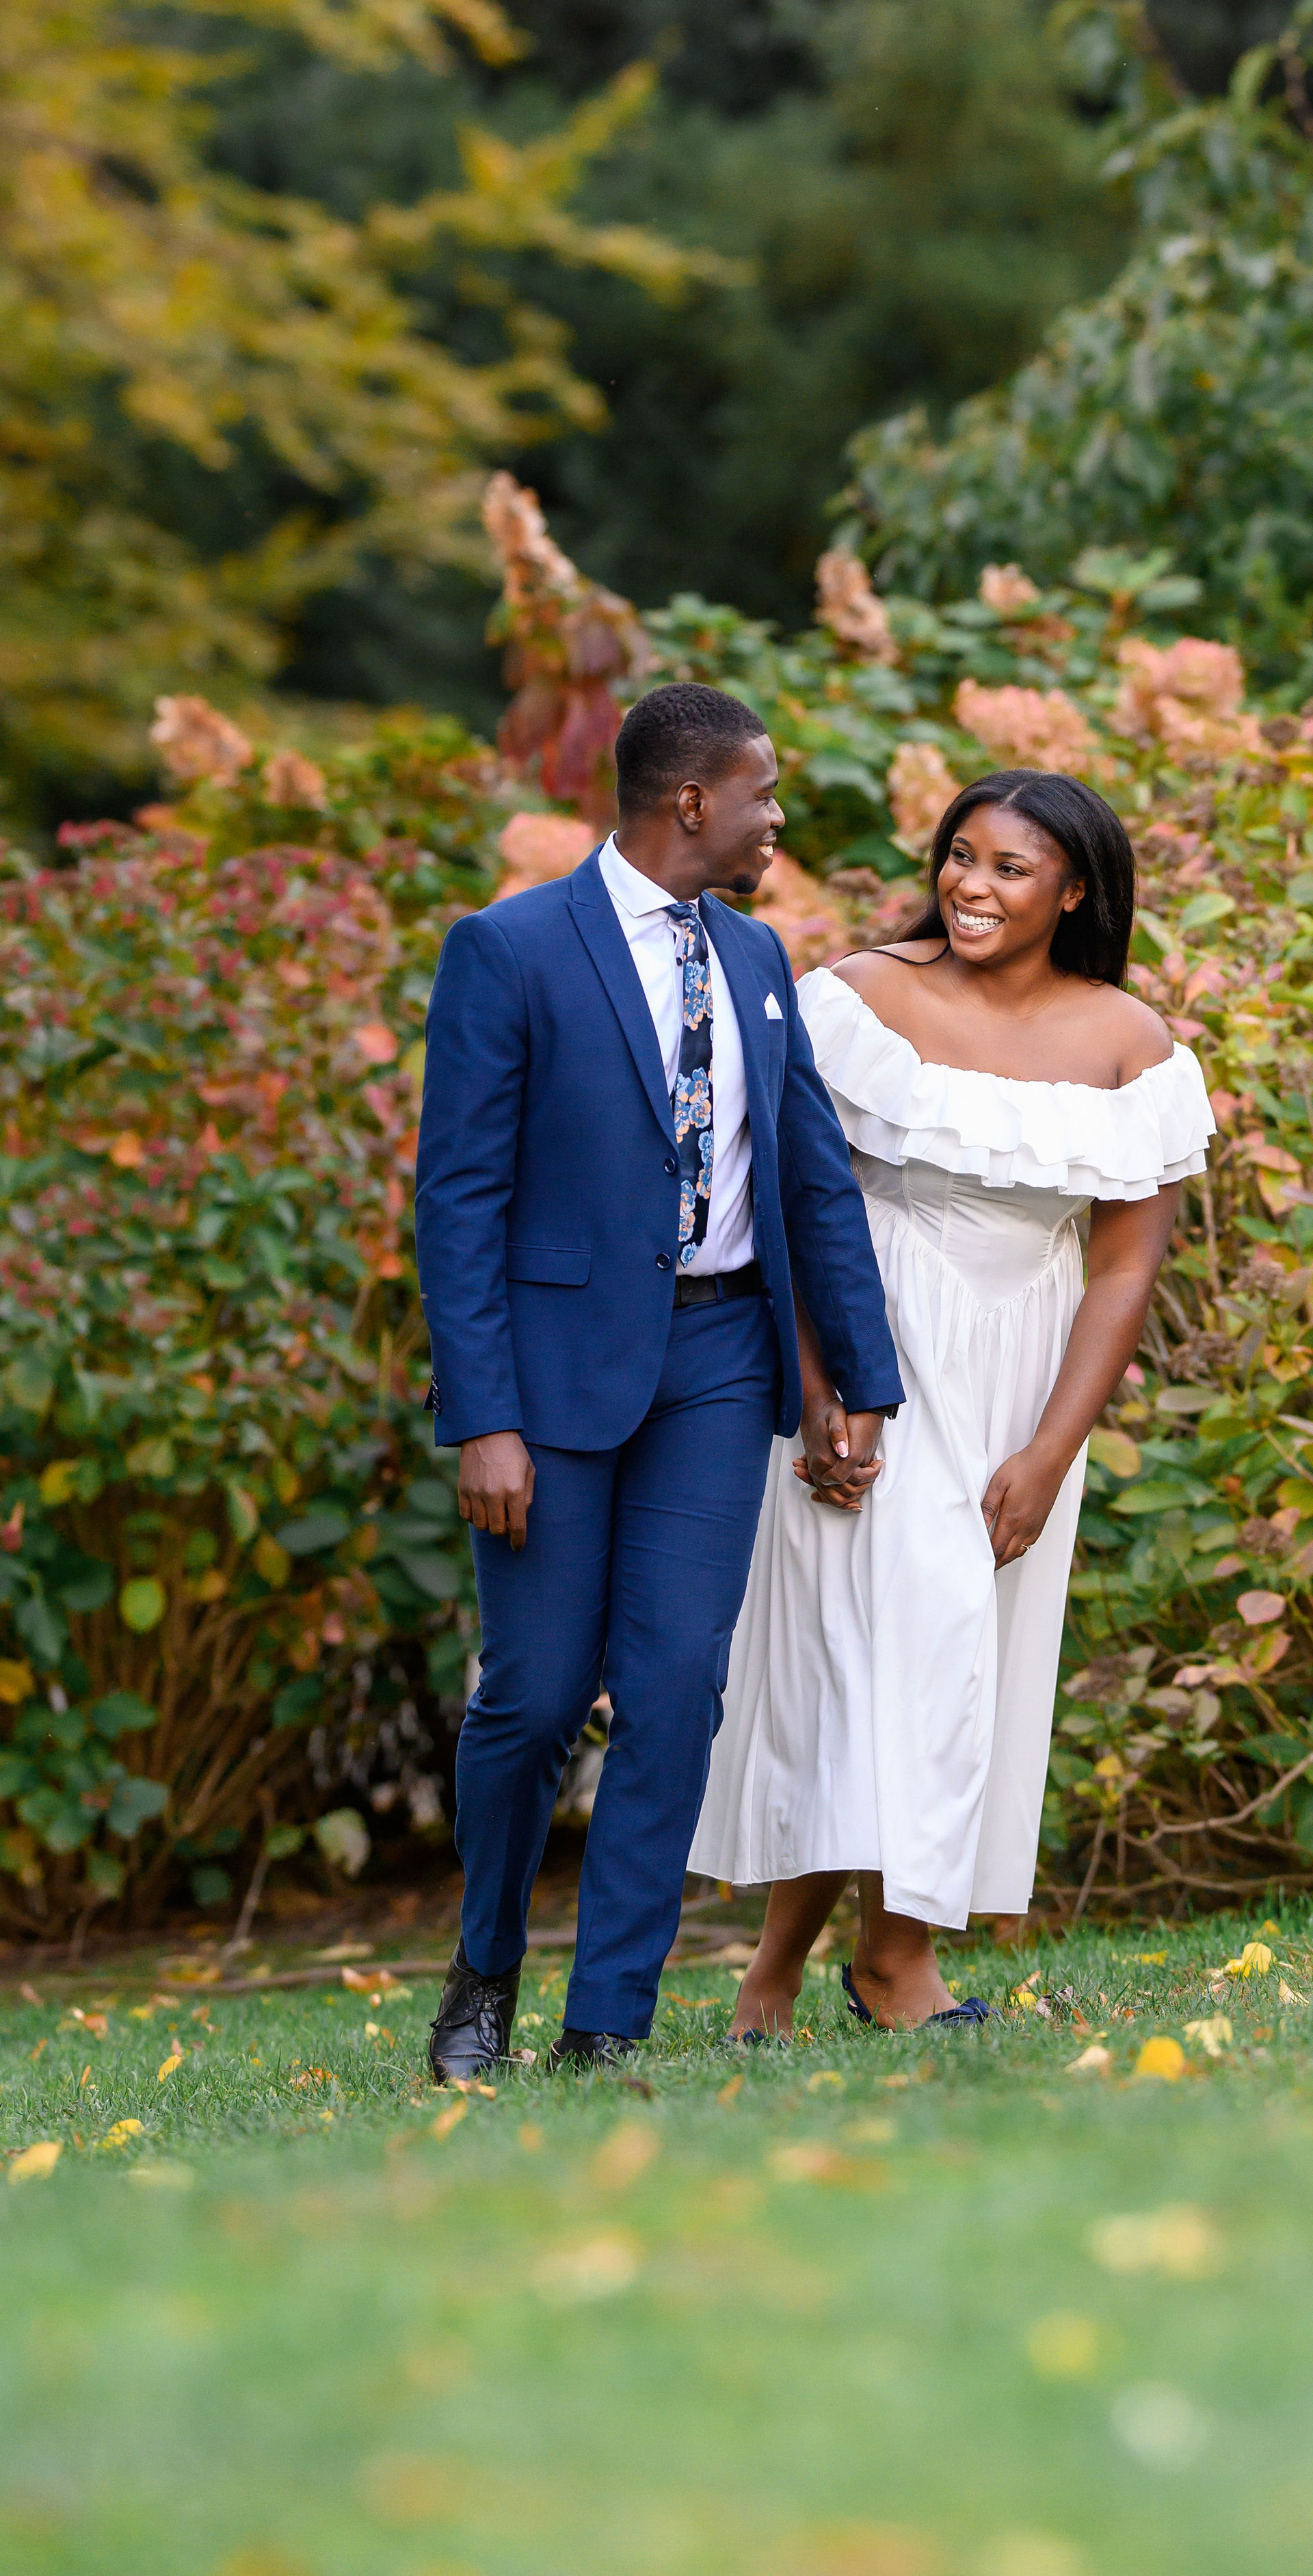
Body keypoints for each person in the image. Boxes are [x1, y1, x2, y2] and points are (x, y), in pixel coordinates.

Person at [414, 682, 903, 2081]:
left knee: (678, 1685)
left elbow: (807, 1175)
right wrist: (484, 1418)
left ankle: (607, 2019)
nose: (776, 818)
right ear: (691, 801)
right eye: (762, 793)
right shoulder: (508, 952)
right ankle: (487, 1965)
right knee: (533, 1695)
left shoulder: (754, 957)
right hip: (550, 1381)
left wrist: (849, 1379)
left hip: (712, 1359)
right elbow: (459, 1198)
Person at [691, 769, 1215, 2035]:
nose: (973, 887)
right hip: (873, 1354)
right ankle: (831, 1969)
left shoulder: (1133, 1047)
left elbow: (1127, 1262)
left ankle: (863, 1964)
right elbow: (779, 1209)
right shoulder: (859, 1000)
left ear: (1075, 890)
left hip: (1027, 1370)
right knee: (852, 1659)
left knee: (954, 1665)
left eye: (1011, 869)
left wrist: (1051, 1449)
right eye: (960, 857)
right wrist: (818, 1385)